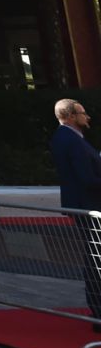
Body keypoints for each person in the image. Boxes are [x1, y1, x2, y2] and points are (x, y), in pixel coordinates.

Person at [50, 98, 101, 331]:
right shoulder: (72, 141)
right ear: (70, 116)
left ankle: (96, 309)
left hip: (83, 204)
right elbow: (87, 179)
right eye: (82, 112)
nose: (87, 116)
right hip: (89, 206)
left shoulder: (65, 138)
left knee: (94, 257)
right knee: (96, 259)